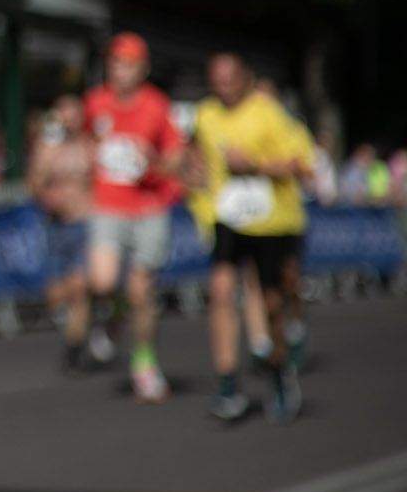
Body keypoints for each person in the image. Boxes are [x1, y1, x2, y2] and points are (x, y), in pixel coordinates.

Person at [195, 51, 314, 424]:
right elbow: (197, 161)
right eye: (217, 79)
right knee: (220, 292)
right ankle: (228, 383)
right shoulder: (205, 115)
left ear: (246, 77)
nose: (224, 86)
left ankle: (279, 373)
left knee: (272, 304)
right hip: (228, 219)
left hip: (273, 221)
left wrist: (256, 165)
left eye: (230, 78)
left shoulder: (269, 111)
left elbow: (303, 164)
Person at [82, 31, 184, 402]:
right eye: (115, 63)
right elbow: (84, 144)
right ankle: (112, 320)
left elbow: (175, 156)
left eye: (128, 64)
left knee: (141, 292)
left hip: (148, 208)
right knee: (103, 281)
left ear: (142, 68)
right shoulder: (95, 103)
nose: (120, 71)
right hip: (108, 205)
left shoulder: (156, 106)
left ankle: (144, 363)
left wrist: (153, 163)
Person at [28, 94, 97, 371]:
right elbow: (33, 182)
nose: (68, 119)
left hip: (85, 223)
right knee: (56, 295)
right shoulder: (47, 147)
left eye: (73, 113)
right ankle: (78, 329)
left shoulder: (90, 146)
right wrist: (46, 193)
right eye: (63, 113)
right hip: (57, 227)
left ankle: (74, 347)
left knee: (79, 288)